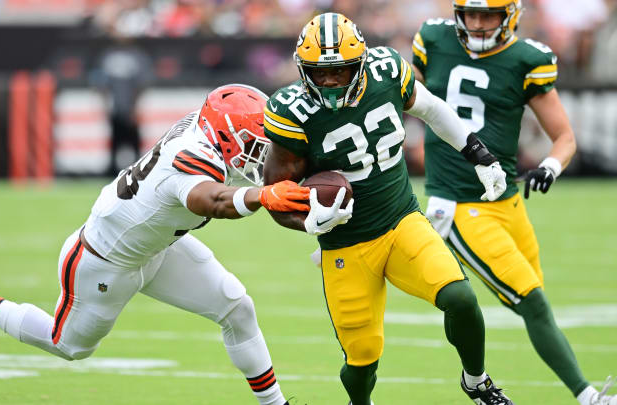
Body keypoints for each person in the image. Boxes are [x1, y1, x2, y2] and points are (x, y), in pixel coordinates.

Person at [0, 84, 310, 405]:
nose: (262, 153)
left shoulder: (202, 129)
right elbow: (215, 200)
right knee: (69, 346)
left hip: (157, 248)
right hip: (103, 263)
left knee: (237, 308)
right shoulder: (190, 157)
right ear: (224, 134)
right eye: (255, 142)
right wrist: (263, 196)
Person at [262, 12, 513, 405]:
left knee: (460, 299)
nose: (328, 81)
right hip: (346, 245)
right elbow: (276, 196)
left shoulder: (387, 70)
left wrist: (477, 152)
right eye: (319, 72)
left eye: (340, 71)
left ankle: (476, 380)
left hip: (401, 221)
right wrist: (310, 221)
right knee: (362, 361)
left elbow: (430, 108)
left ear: (360, 66)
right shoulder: (291, 110)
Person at [411, 1, 616, 404]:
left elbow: (565, 137)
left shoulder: (527, 59)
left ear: (511, 16)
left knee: (533, 302)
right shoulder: (432, 39)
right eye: (470, 13)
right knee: (532, 301)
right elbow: (401, 97)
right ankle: (590, 396)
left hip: (506, 201)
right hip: (457, 204)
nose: (478, 23)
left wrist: (550, 167)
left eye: (489, 14)